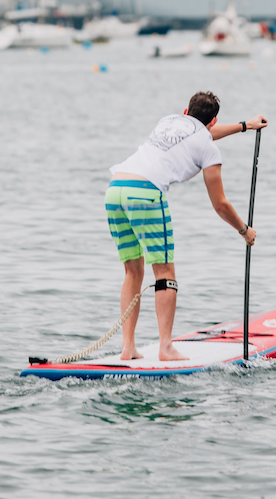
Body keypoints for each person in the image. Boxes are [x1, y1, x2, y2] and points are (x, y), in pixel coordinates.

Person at [106, 91, 267, 361]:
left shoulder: (168, 121)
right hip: (145, 193)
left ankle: (128, 348)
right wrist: (244, 230)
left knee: (133, 271)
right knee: (164, 270)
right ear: (214, 120)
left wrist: (244, 126)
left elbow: (201, 134)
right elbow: (220, 204)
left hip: (115, 189)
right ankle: (166, 347)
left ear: (185, 112)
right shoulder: (208, 147)